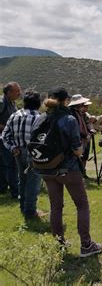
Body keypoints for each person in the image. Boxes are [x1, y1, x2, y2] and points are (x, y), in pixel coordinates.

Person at [36, 88, 102, 257]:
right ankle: (86, 245)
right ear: (66, 100)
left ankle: (60, 244)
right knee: (82, 205)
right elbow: (77, 150)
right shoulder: (68, 119)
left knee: (55, 207)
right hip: (68, 169)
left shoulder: (41, 118)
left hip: (46, 168)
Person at [1, 90, 41, 218]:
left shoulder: (14, 115)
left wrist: (12, 147)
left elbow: (4, 135)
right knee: (33, 181)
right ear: (38, 103)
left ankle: (23, 207)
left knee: (22, 180)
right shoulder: (40, 117)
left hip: (18, 152)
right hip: (34, 153)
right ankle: (30, 210)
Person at [0, 82, 21, 198]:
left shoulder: (12, 103)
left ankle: (2, 187)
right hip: (3, 139)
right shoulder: (2, 103)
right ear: (8, 92)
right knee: (12, 165)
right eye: (16, 91)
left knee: (4, 165)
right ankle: (15, 192)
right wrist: (7, 128)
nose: (19, 93)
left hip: (7, 139)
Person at [68, 94, 91, 179]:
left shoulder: (78, 113)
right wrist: (85, 135)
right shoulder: (72, 114)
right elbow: (76, 130)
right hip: (76, 141)